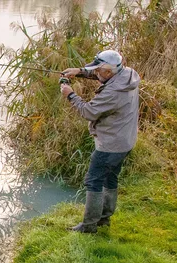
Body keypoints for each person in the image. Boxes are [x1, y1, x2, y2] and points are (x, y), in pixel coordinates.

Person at [60, 50, 141, 233]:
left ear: (108, 72)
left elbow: (88, 112)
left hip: (111, 144)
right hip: (126, 140)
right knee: (110, 177)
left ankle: (89, 226)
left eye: (98, 71)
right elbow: (101, 74)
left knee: (93, 180)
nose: (95, 73)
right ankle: (104, 218)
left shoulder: (113, 93)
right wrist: (79, 71)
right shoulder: (127, 74)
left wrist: (71, 95)